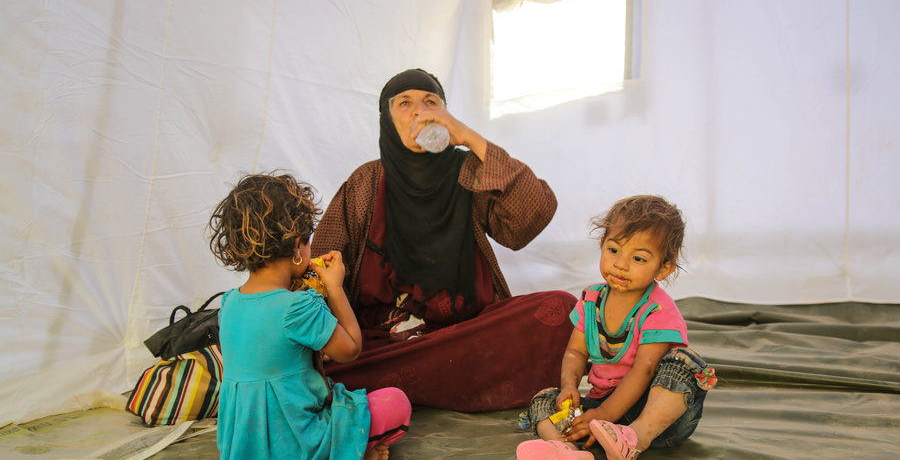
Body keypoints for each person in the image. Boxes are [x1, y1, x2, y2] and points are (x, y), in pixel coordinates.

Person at [310, 68, 576, 412]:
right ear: (387, 120)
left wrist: (471, 139)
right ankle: (440, 384)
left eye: (430, 102)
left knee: (562, 310)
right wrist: (324, 338)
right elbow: (321, 264)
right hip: (386, 343)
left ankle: (402, 386)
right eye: (404, 103)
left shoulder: (469, 170)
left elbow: (531, 216)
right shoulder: (366, 182)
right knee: (327, 359)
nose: (419, 112)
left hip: (467, 334)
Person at [207, 172, 411, 460]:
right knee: (396, 403)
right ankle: (350, 452)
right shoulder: (297, 307)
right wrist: (335, 287)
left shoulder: (229, 303)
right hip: (295, 444)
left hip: (244, 448)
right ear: (296, 247)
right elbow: (351, 349)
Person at [516, 195, 716, 460]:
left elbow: (644, 370)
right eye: (614, 250)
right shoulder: (590, 300)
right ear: (602, 244)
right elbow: (576, 351)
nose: (621, 264)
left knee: (685, 362)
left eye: (639, 258)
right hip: (601, 410)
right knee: (544, 399)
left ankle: (634, 438)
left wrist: (605, 415)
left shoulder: (658, 312)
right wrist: (569, 387)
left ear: (664, 268)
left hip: (654, 417)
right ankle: (566, 450)